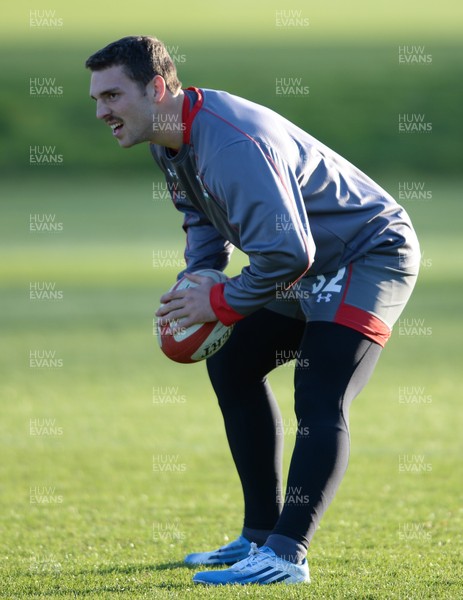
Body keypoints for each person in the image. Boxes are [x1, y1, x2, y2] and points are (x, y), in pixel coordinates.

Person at [85, 35, 420, 586]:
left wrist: (217, 301)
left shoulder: (229, 145)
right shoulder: (168, 136)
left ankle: (287, 556)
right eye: (97, 99)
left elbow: (289, 252)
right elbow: (201, 221)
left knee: (320, 389)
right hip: (307, 260)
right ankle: (259, 537)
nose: (102, 111)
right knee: (234, 361)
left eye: (113, 96)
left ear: (158, 88)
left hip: (368, 252)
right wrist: (195, 280)